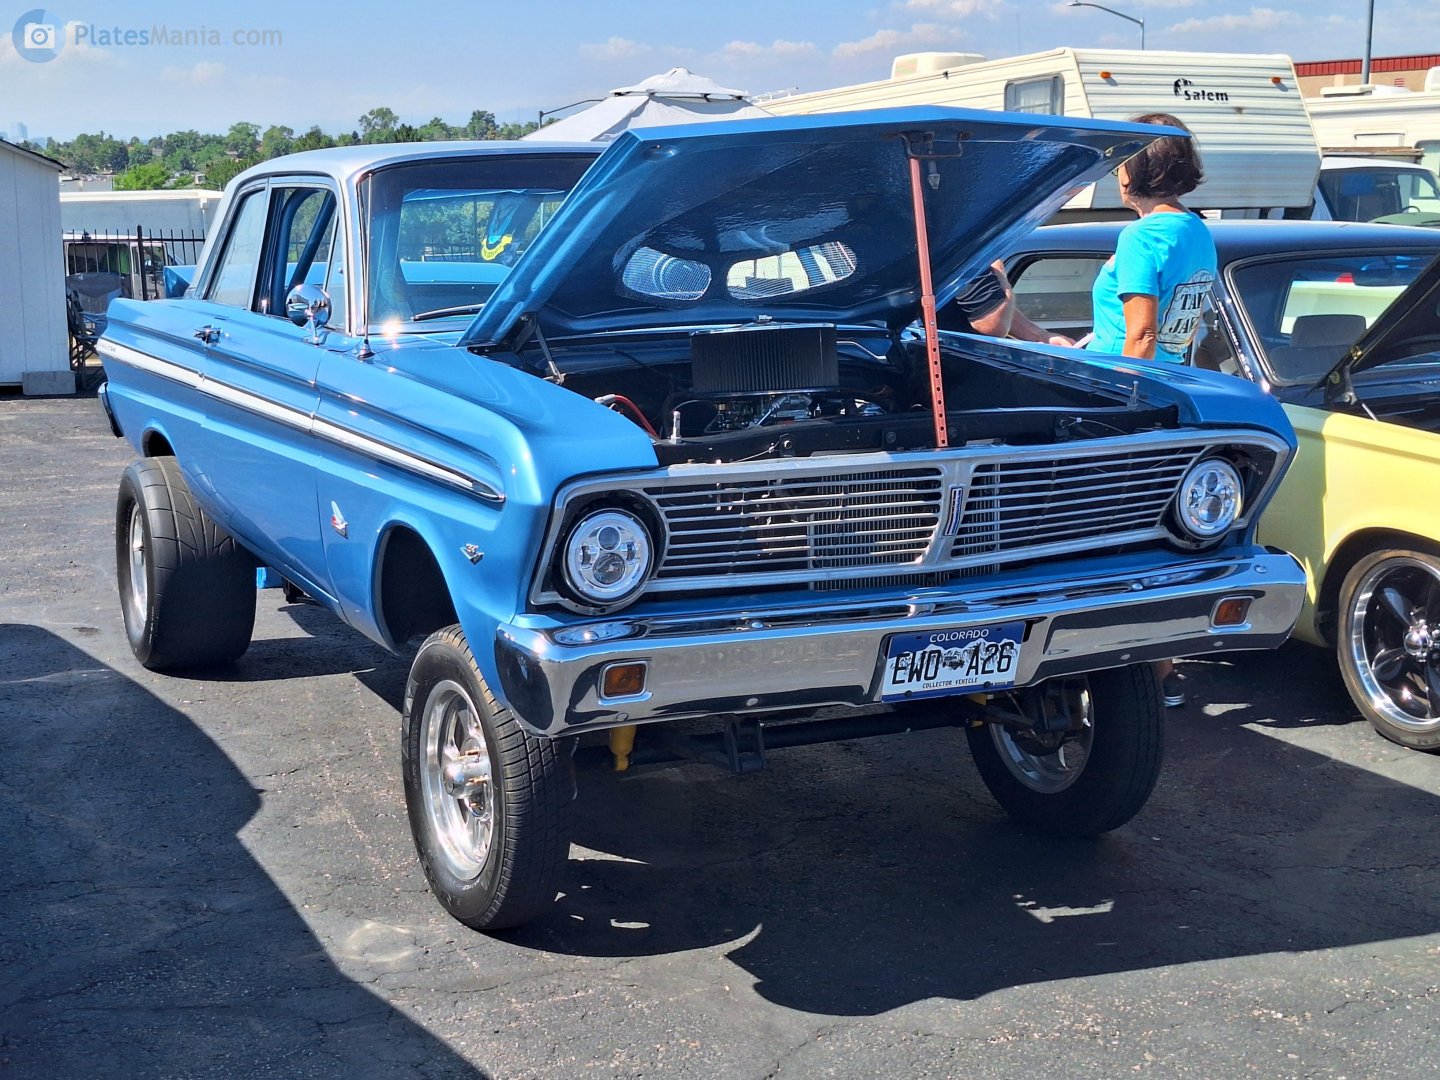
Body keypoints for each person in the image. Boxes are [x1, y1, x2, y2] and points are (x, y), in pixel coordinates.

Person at [1087, 112, 1217, 708]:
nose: (1116, 172)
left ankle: (1133, 679)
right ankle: (1158, 672)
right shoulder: (1197, 231)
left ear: (1138, 170)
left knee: (1111, 538)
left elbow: (1140, 335)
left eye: (1121, 160)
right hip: (1177, 392)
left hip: (1129, 403)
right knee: (1157, 537)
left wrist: (1119, 406)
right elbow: (1185, 327)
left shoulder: (1138, 238)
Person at [939, 262, 1074, 345]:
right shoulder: (963, 245)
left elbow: (993, 306)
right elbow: (992, 324)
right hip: (954, 365)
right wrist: (999, 272)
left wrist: (1040, 336)